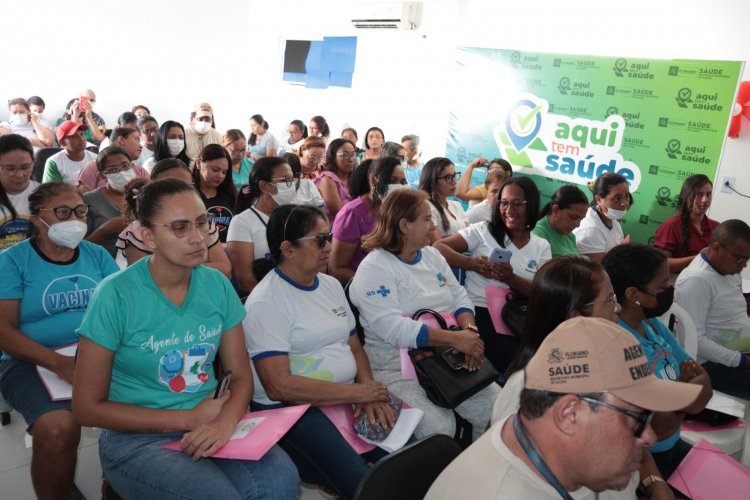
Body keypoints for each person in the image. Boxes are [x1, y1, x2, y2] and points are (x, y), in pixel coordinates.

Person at [73, 179, 299, 499]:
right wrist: (186, 418)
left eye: (201, 223)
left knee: (281, 483)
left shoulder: (217, 285)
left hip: (210, 419)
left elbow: (240, 377)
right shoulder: (114, 295)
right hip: (137, 436)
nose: (197, 238)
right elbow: (86, 408)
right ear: (148, 236)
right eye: (180, 228)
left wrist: (224, 422)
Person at [426, 316, 702, 500]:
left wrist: (652, 481)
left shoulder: (564, 446)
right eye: (637, 420)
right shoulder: (504, 493)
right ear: (570, 414)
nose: (650, 438)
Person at [244, 203, 392, 500]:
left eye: (330, 236)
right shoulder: (267, 302)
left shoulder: (329, 285)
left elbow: (354, 346)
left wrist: (365, 388)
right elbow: (279, 386)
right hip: (292, 410)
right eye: (320, 240)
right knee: (365, 484)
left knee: (405, 452)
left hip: (345, 395)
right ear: (287, 248)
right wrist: (358, 395)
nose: (330, 246)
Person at [350, 189, 499, 440]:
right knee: (438, 429)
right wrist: (454, 339)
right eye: (427, 219)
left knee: (498, 408)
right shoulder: (375, 267)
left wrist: (469, 334)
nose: (433, 226)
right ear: (405, 225)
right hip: (395, 365)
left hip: (445, 356)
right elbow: (392, 329)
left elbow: (460, 297)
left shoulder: (432, 256)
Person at [0, 182, 118, 500]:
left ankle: (121, 481)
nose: (75, 220)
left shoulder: (96, 256)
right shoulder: (12, 262)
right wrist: (59, 364)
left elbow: (121, 310)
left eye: (80, 211)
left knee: (143, 403)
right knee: (57, 428)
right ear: (38, 219)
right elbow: (5, 331)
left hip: (97, 353)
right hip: (30, 359)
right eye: (63, 212)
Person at [603, 244, 712, 478]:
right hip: (644, 463)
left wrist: (675, 402)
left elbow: (705, 387)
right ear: (634, 295)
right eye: (662, 285)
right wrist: (686, 397)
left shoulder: (653, 326)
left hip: (674, 444)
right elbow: (660, 428)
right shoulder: (619, 344)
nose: (669, 289)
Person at [434, 176, 551, 373]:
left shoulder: (541, 245)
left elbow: (542, 292)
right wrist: (471, 264)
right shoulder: (483, 231)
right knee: (517, 361)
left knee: (545, 356)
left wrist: (510, 279)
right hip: (480, 312)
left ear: (530, 205)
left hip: (518, 314)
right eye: (504, 203)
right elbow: (439, 246)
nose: (509, 210)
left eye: (517, 204)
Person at [495, 256, 620, 424]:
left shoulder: (590, 363)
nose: (617, 307)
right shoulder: (532, 391)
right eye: (610, 300)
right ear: (574, 318)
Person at [116, 159, 231, 277]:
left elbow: (225, 269)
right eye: (180, 228)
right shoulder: (139, 230)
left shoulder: (202, 222)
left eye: (186, 186)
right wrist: (193, 267)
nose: (197, 238)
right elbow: (146, 277)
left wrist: (177, 266)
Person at [675, 219, 750, 399]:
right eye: (740, 259)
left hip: (738, 353)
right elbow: (695, 341)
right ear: (716, 247)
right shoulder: (697, 281)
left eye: (747, 259)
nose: (744, 265)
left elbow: (735, 312)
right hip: (713, 364)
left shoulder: (728, 269)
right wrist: (742, 361)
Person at [329, 156, 406, 285]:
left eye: (402, 182)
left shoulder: (395, 210)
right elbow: (337, 269)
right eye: (392, 181)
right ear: (373, 180)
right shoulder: (352, 214)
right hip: (366, 286)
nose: (398, 187)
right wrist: (373, 284)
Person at [228, 157, 295, 295]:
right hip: (266, 298)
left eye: (292, 180)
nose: (291, 185)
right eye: (284, 181)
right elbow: (246, 281)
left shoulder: (296, 216)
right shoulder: (242, 222)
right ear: (264, 186)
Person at [655, 174, 719, 274]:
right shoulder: (670, 226)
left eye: (708, 194)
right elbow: (662, 264)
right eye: (699, 194)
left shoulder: (716, 227)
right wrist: (699, 258)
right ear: (686, 196)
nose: (705, 200)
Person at [83, 146, 134, 256]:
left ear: (132, 166)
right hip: (104, 263)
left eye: (125, 166)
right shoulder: (89, 200)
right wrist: (105, 230)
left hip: (139, 261)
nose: (121, 172)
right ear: (103, 175)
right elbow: (80, 247)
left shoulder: (141, 195)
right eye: (113, 170)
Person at [573, 173, 631, 262]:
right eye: (617, 198)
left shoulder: (612, 220)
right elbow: (597, 271)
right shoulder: (591, 229)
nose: (624, 203)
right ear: (599, 199)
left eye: (626, 196)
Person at [76, 127, 149, 193]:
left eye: (125, 166)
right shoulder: (94, 167)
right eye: (137, 139)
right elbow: (84, 200)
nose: (140, 146)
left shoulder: (142, 172)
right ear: (121, 140)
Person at [0, 134, 39, 250]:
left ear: (33, 162)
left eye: (25, 167)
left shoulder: (45, 195)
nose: (20, 174)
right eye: (10, 169)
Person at [193, 144, 237, 243]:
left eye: (224, 172)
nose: (220, 176)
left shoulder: (230, 194)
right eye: (215, 170)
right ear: (199, 163)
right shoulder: (189, 195)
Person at [419, 157, 467, 244]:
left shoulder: (456, 205)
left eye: (455, 175)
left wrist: (449, 239)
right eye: (448, 177)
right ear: (433, 180)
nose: (454, 181)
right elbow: (438, 246)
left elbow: (472, 234)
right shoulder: (427, 207)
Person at [532, 185, 589, 257]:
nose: (577, 224)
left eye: (581, 219)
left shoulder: (570, 236)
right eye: (573, 217)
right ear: (555, 210)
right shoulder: (537, 236)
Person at [315, 138, 354, 222]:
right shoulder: (327, 179)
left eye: (353, 154)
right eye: (345, 155)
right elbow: (340, 214)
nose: (351, 159)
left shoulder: (353, 177)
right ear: (333, 157)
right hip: (335, 229)